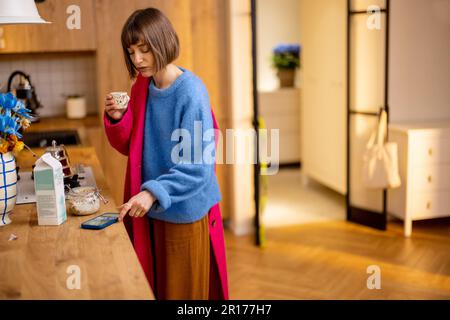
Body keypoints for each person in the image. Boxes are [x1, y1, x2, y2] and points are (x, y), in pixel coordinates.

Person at [103, 7, 228, 300]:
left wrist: (151, 193)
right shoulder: (142, 86)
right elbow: (131, 148)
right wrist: (120, 117)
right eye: (131, 51)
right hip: (153, 207)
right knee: (156, 291)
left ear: (162, 42)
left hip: (182, 212)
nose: (137, 59)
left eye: (144, 50)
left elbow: (198, 167)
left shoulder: (191, 92)